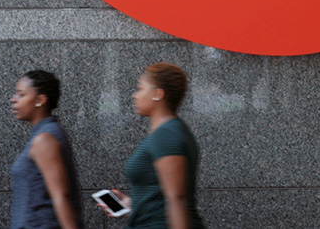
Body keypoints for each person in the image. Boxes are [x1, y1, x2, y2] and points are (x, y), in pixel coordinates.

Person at [99, 63, 204, 228]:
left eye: (140, 88)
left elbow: (176, 199)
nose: (135, 95)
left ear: (157, 94)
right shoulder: (165, 132)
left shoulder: (167, 135)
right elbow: (161, 196)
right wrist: (133, 204)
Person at [10, 70, 83, 229]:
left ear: (40, 100)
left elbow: (60, 197)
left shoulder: (45, 139)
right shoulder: (45, 134)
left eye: (21, 95)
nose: (14, 100)